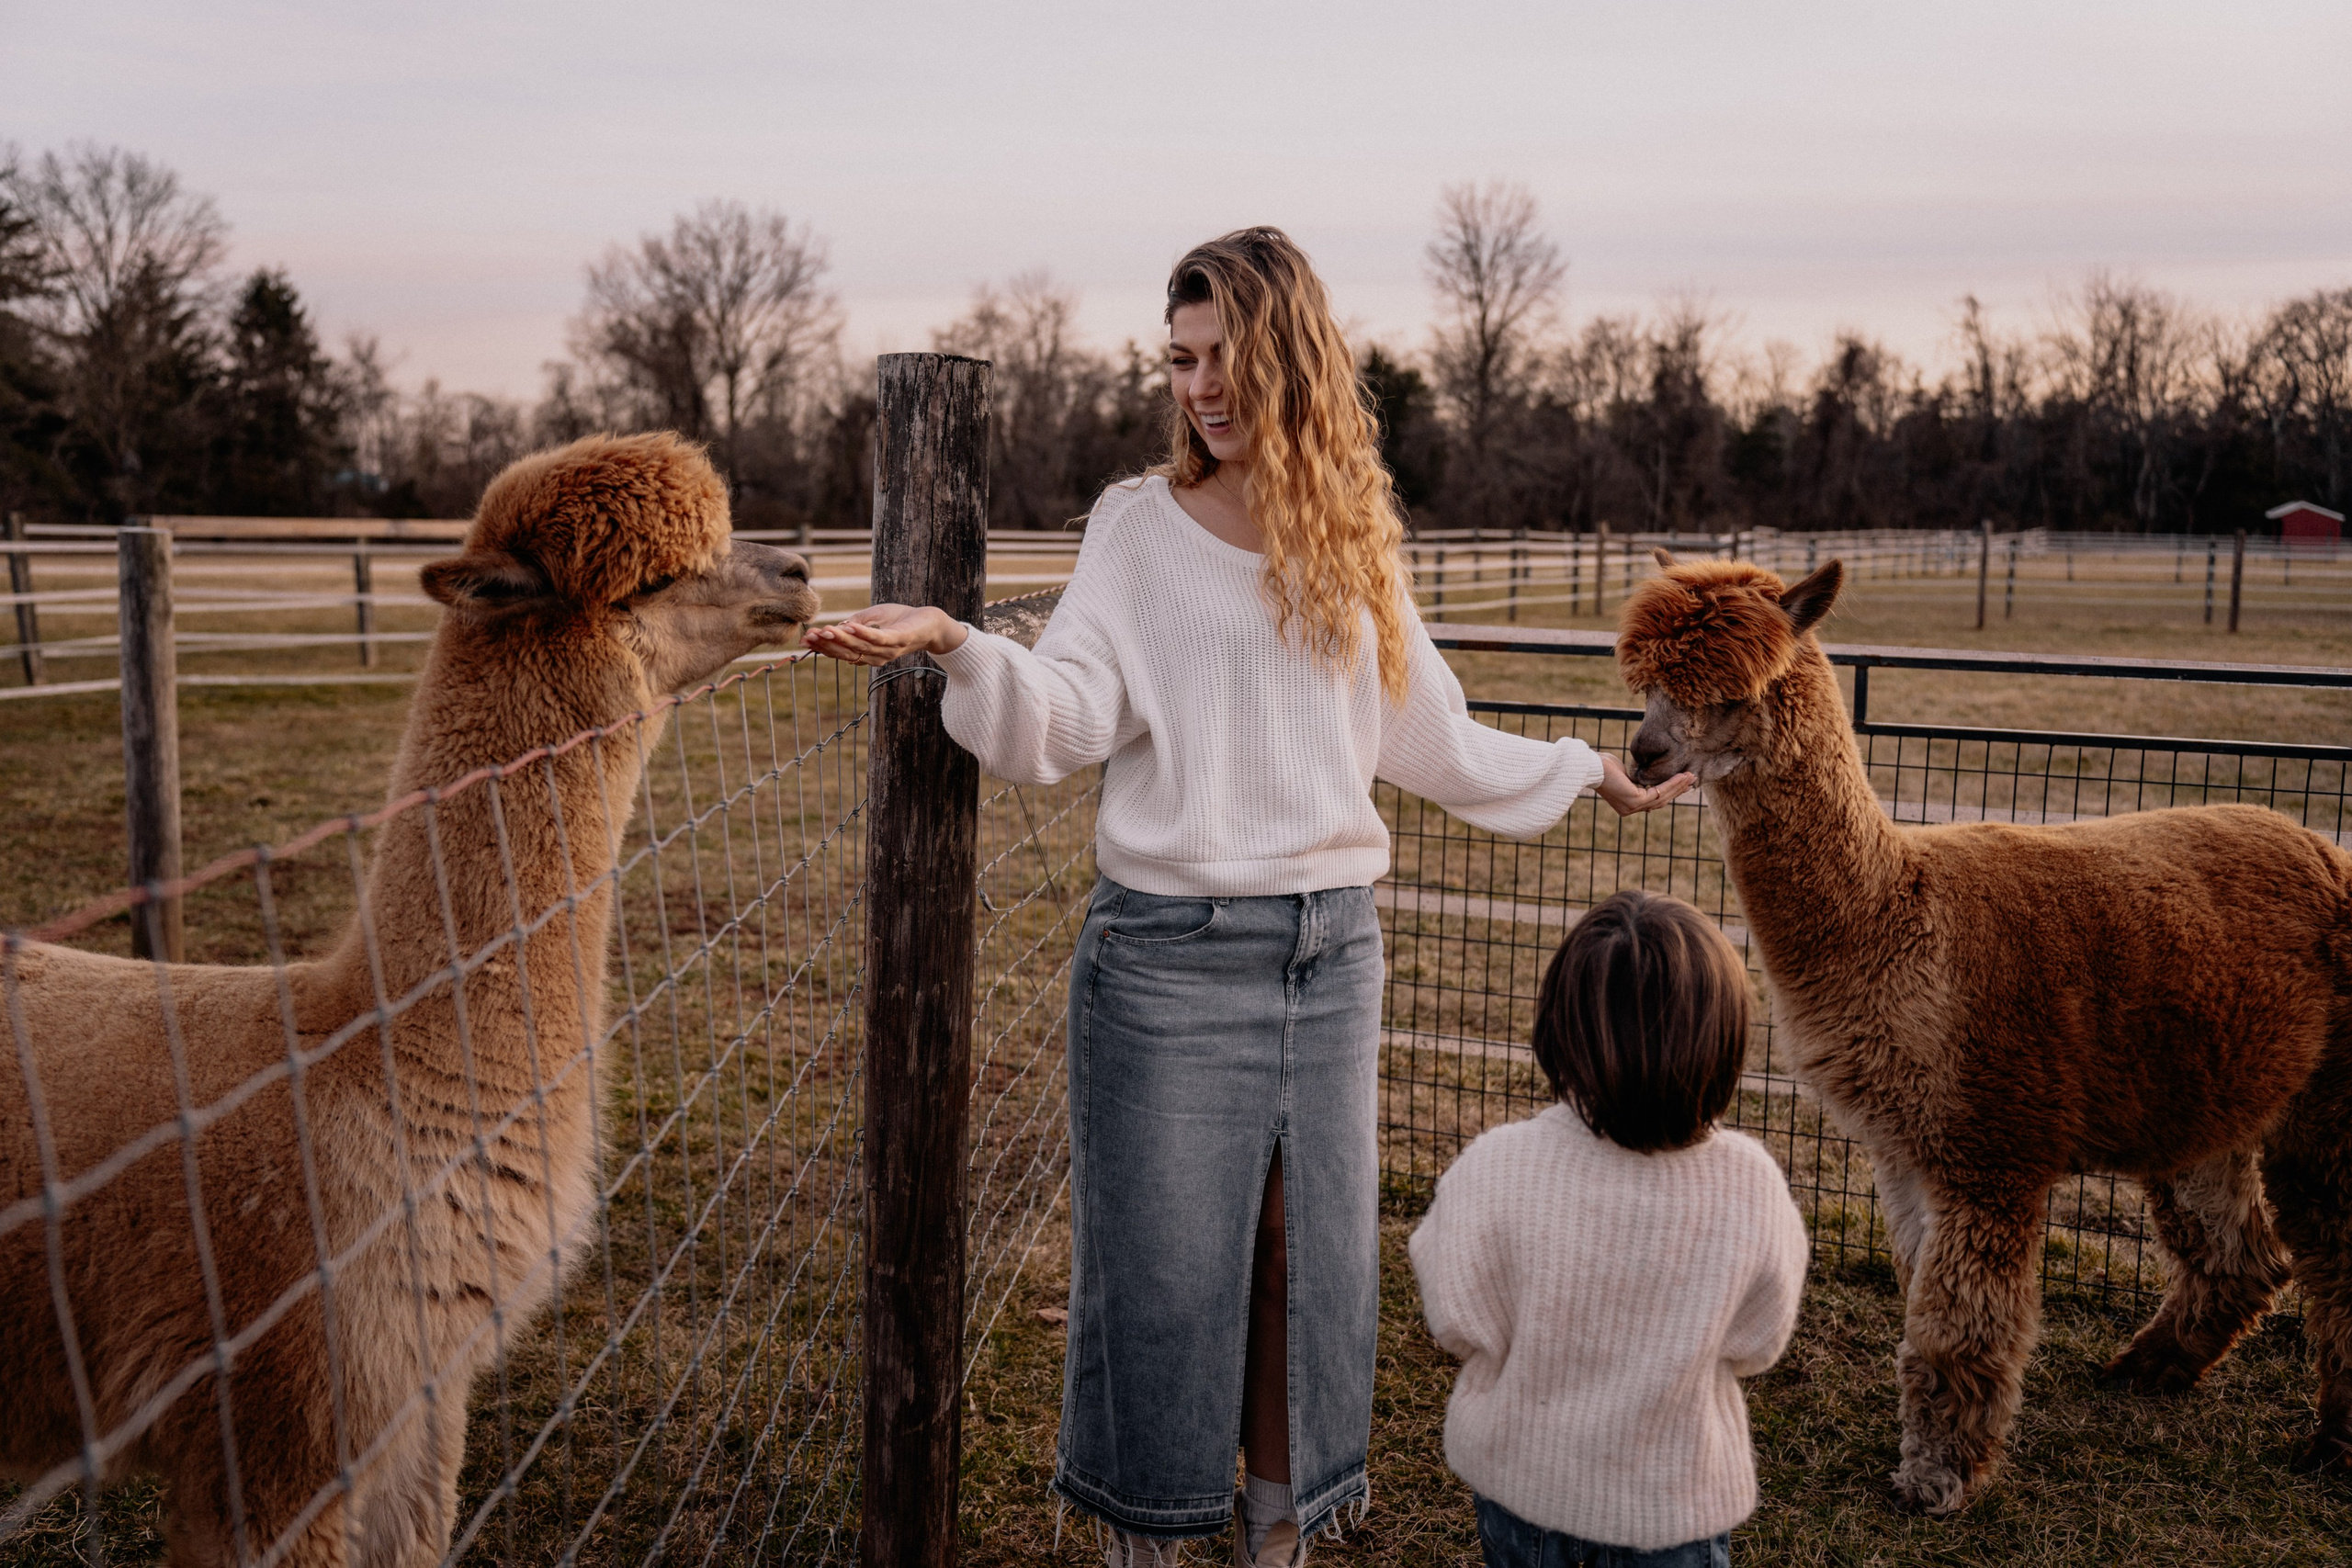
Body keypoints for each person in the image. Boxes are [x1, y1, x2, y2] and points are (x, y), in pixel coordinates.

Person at [805, 227, 1694, 1567]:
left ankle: (1277, 1533)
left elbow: (1430, 733)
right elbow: (1068, 715)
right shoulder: (1135, 526)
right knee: (1161, 1285)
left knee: (1307, 1269)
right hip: (1170, 958)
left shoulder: (1349, 538)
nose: (1198, 386)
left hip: (1334, 954)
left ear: (1292, 358)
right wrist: (959, 643)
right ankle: (1148, 1542)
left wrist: (1584, 773)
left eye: (1224, 355)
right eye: (1179, 358)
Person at [1408, 889, 1807, 1568]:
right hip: (1673, 1511)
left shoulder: (1497, 1165)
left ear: (1561, 1023)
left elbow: (1458, 1317)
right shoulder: (1751, 1184)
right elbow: (1758, 1338)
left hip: (1525, 1498)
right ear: (1725, 1038)